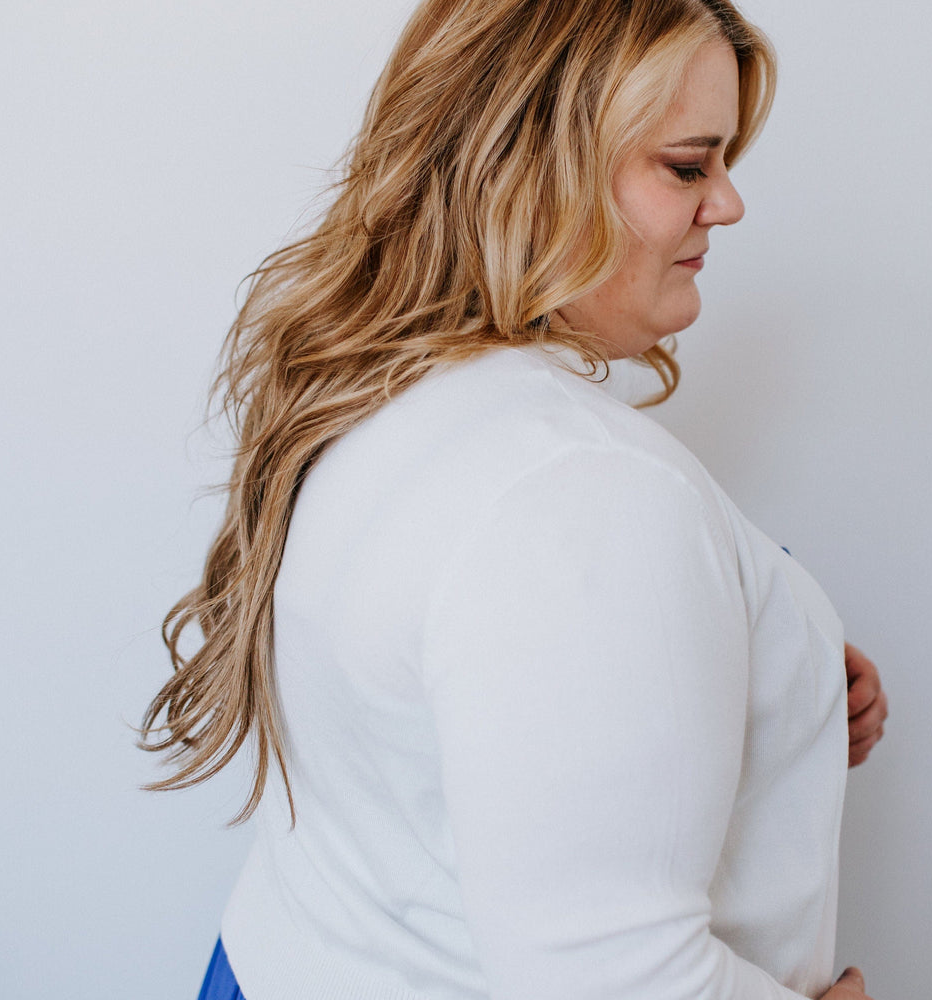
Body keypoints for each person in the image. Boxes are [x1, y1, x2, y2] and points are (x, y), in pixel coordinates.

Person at [140, 1, 889, 998]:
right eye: (686, 165)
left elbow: (445, 714)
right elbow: (615, 977)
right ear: (535, 171)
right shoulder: (581, 492)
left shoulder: (380, 388)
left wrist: (773, 683)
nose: (728, 203)